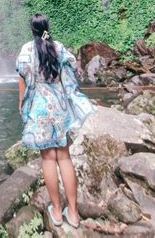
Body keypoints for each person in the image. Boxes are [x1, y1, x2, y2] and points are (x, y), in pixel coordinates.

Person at [16, 14, 96, 229]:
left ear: (32, 30)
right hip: (59, 109)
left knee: (48, 159)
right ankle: (74, 213)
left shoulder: (26, 51)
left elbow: (22, 80)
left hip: (40, 110)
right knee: (65, 158)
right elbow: (70, 76)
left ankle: (57, 212)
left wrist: (22, 105)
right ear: (47, 28)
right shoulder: (57, 48)